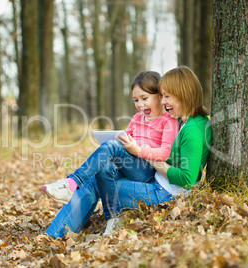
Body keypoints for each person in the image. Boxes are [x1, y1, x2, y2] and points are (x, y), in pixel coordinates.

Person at [45, 66, 212, 238]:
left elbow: (187, 179)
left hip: (164, 193)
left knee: (99, 181)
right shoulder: (185, 120)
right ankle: (61, 229)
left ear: (183, 94)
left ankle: (65, 218)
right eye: (162, 96)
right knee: (101, 172)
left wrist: (148, 157)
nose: (163, 102)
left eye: (167, 96)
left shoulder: (192, 129)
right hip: (156, 181)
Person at [41, 71, 180, 217]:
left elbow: (165, 152)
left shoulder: (167, 120)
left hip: (147, 170)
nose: (140, 104)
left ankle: (71, 184)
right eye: (136, 100)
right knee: (105, 166)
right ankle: (112, 218)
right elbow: (126, 140)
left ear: (159, 96)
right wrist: (123, 142)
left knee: (112, 147)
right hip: (130, 165)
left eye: (144, 98)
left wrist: (139, 150)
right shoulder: (137, 118)